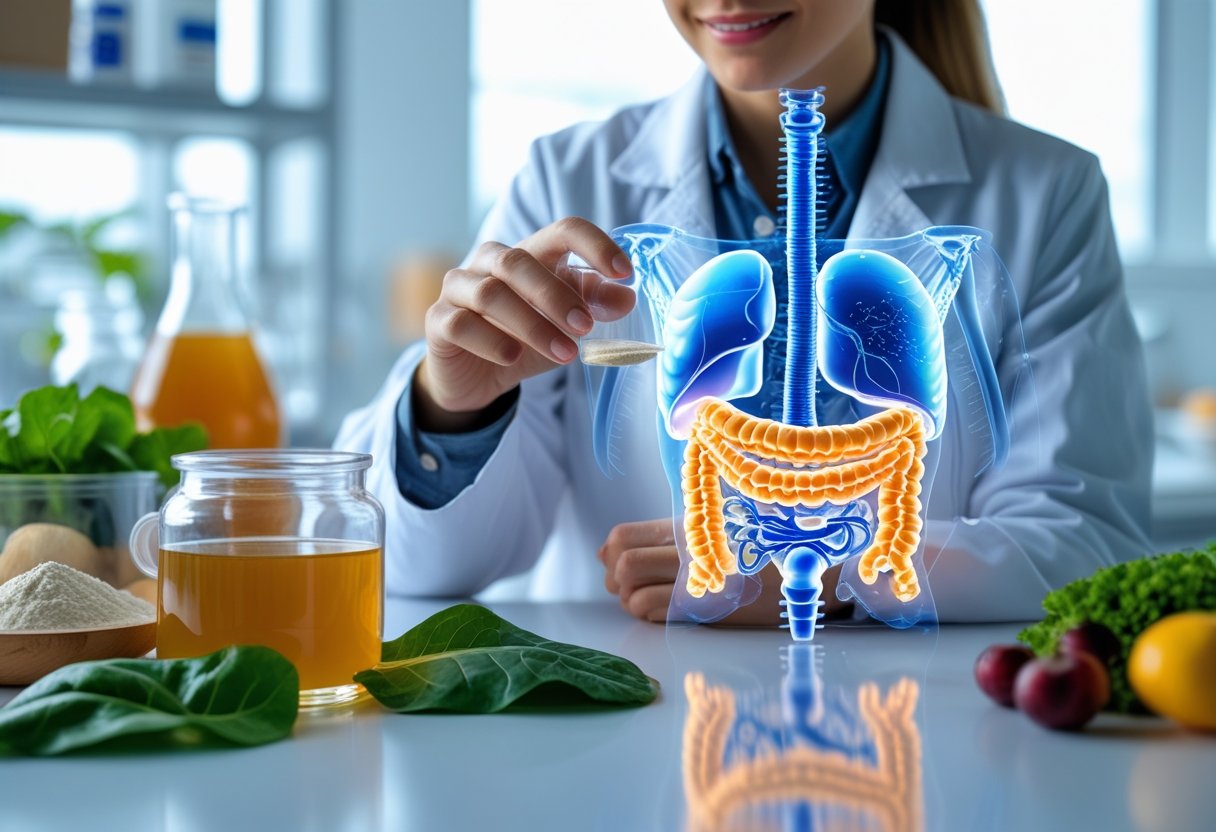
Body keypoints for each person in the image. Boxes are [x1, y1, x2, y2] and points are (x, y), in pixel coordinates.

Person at [335, 0, 1153, 625]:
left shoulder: (1048, 194)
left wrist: (826, 573)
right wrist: (453, 408)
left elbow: (1086, 542)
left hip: (922, 741)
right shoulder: (569, 182)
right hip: (640, 747)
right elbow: (422, 570)